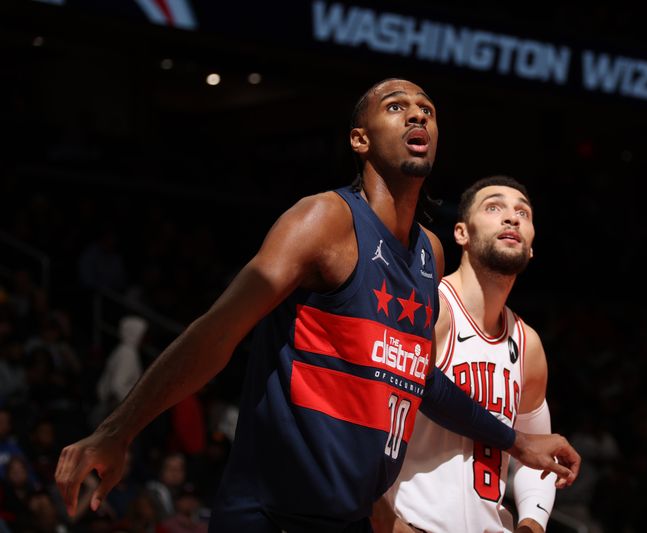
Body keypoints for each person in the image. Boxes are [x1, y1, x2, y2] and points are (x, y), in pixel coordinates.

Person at [55, 78, 580, 532]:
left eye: (427, 109)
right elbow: (218, 330)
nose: (418, 112)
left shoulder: (430, 251)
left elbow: (420, 375)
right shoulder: (324, 221)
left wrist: (516, 442)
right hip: (270, 515)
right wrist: (117, 430)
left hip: (348, 521)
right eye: (396, 106)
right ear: (360, 139)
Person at [373, 176, 556, 533]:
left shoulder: (528, 344)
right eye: (494, 208)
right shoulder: (430, 310)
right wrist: (384, 520)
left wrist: (532, 524)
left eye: (523, 212)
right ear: (461, 233)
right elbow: (363, 424)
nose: (512, 218)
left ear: (532, 247)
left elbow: (536, 457)